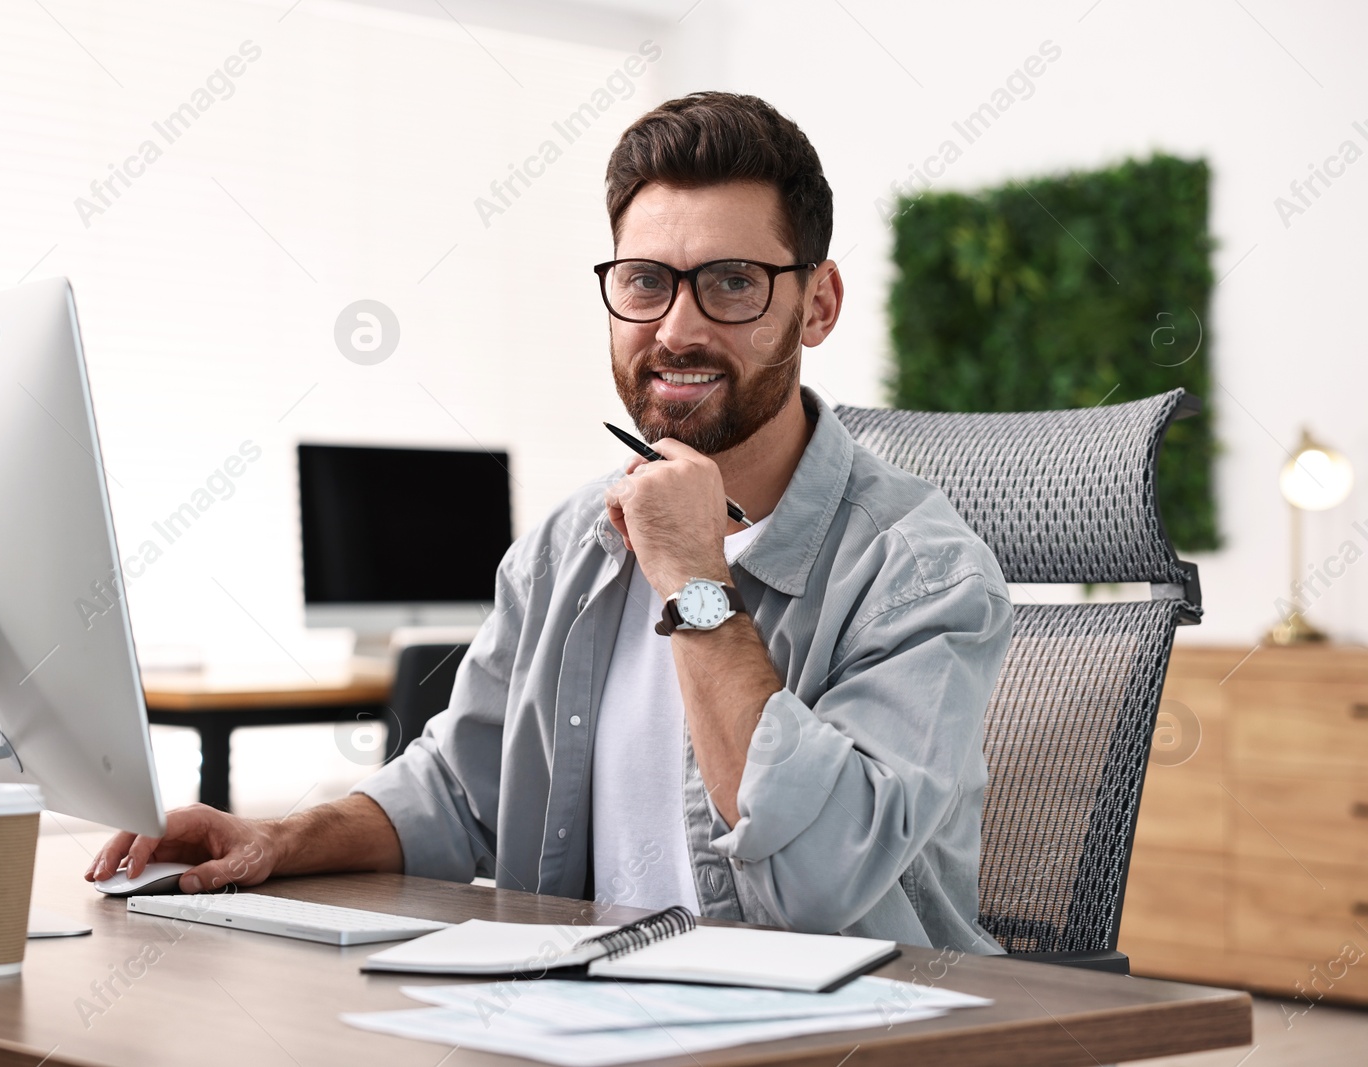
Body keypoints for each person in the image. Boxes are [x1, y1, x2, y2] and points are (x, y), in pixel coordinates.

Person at [89, 91, 1013, 951]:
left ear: (818, 305)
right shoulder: (571, 543)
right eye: (647, 281)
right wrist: (278, 837)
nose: (678, 328)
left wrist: (696, 581)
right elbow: (459, 791)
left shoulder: (924, 571)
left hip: (848, 1033)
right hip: (589, 1017)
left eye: (732, 282)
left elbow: (819, 873)